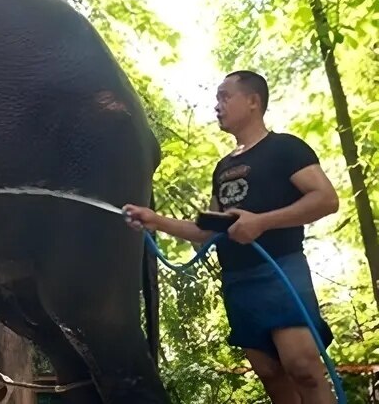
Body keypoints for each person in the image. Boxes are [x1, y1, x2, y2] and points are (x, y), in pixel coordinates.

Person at [124, 71, 339, 404]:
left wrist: (262, 222)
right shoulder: (223, 167)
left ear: (253, 101)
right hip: (238, 281)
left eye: (225, 96)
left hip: (281, 270)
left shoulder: (286, 148)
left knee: (303, 368)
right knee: (269, 372)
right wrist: (154, 220)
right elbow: (208, 233)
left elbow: (325, 199)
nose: (217, 105)